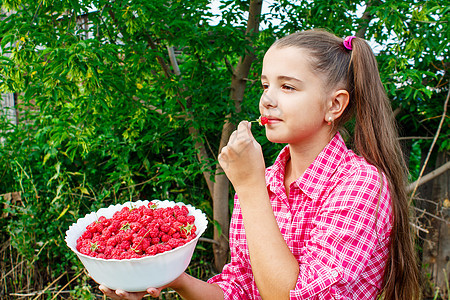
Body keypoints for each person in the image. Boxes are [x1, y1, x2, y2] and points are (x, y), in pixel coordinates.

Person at [99, 29, 420, 299]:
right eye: (266, 85)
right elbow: (242, 289)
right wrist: (170, 277)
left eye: (288, 86)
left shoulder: (360, 185)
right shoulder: (261, 181)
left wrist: (250, 187)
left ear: (334, 105)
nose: (267, 99)